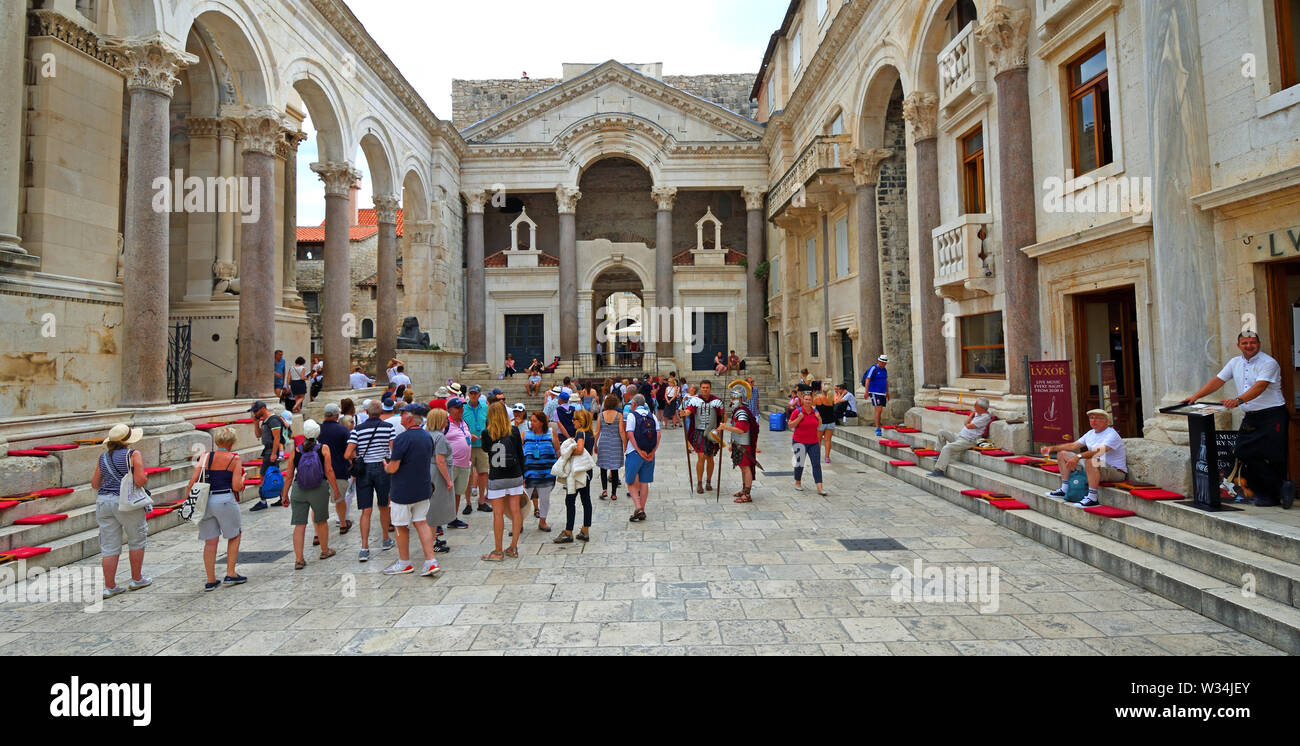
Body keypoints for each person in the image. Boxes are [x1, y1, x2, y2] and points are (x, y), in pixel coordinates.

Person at [1184, 330, 1294, 508]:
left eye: (1253, 343)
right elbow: (1218, 380)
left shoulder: (1269, 362)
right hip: (1251, 417)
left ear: (1258, 344)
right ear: (1238, 345)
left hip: (1272, 415)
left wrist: (1238, 400)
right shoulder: (1235, 362)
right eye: (1245, 343)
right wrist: (1195, 396)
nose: (1249, 346)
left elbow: (1261, 386)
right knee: (1242, 451)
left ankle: (1270, 496)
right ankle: (1281, 486)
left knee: (1273, 456)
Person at [90, 424, 152, 598]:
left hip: (104, 502)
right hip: (126, 502)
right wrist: (142, 476)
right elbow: (140, 481)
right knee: (136, 539)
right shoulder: (133, 454)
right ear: (128, 440)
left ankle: (110, 586)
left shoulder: (102, 457)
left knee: (109, 546)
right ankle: (136, 579)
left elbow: (95, 484)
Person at [381, 404, 440, 576]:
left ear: (409, 417)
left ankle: (404, 562)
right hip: (422, 487)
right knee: (422, 522)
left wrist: (386, 466)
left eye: (402, 415)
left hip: (403, 490)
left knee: (400, 526)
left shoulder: (402, 439)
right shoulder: (427, 437)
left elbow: (394, 467)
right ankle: (430, 560)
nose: (400, 418)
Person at [185, 427, 246, 591]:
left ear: (217, 442)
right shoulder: (234, 459)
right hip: (224, 498)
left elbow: (192, 482)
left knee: (210, 541)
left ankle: (211, 579)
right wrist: (243, 480)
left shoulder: (205, 457)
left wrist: (190, 501)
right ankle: (231, 572)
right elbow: (236, 485)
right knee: (234, 534)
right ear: (232, 443)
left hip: (205, 501)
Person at [1042, 409, 1128, 508]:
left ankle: (1092, 498)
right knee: (1062, 454)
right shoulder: (1091, 433)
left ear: (1107, 421)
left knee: (1091, 460)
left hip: (1115, 471)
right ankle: (1065, 489)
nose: (1093, 421)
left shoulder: (1111, 434)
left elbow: (1099, 451)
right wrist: (1052, 448)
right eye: (1091, 418)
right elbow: (1073, 446)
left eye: (1098, 418)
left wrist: (1078, 456)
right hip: (1096, 466)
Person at [345, 399, 397, 561]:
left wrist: (358, 458)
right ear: (381, 412)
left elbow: (347, 454)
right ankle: (385, 539)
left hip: (364, 470)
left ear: (366, 412)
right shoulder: (388, 428)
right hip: (382, 468)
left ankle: (364, 547)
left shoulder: (357, 430)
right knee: (383, 506)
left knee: (366, 511)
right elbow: (392, 451)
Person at [285, 419, 340, 570]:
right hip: (319, 488)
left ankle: (299, 559)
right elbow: (328, 471)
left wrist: (284, 494)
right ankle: (324, 550)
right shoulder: (323, 448)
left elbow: (289, 474)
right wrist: (335, 489)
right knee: (321, 521)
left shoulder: (296, 450)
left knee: (299, 525)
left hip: (299, 488)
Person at [479, 401, 526, 561]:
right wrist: (523, 476)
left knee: (497, 514)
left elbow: (486, 449)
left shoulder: (487, 433)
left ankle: (498, 551)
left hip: (497, 476)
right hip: (515, 475)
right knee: (515, 511)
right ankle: (513, 547)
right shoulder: (513, 431)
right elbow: (520, 455)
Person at [554, 408, 597, 543]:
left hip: (578, 471)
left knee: (570, 500)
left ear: (581, 421)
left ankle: (568, 531)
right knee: (586, 500)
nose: (572, 421)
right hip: (587, 471)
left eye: (574, 419)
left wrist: (566, 453)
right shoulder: (591, 433)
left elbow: (579, 450)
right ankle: (585, 530)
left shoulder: (580, 433)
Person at [926, 398, 992, 478]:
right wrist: (973, 414)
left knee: (947, 448)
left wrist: (971, 415)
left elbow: (967, 425)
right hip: (959, 436)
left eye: (975, 405)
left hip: (968, 441)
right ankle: (940, 455)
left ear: (981, 408)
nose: (974, 406)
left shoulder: (985, 417)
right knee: (941, 432)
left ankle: (939, 470)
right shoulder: (978, 413)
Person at [716, 379, 759, 503]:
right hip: (738, 444)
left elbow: (741, 430)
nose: (731, 401)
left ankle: (747, 494)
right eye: (731, 398)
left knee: (746, 468)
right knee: (743, 468)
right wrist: (731, 442)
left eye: (734, 399)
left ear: (741, 400)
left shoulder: (742, 412)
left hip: (744, 445)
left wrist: (724, 427)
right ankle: (744, 489)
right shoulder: (737, 412)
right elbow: (736, 428)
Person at [317, 403, 353, 536]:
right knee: (340, 499)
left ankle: (317, 532)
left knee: (318, 503)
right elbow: (349, 452)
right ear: (337, 415)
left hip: (319, 471)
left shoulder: (317, 430)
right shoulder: (343, 430)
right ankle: (343, 524)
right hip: (338, 469)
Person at [425, 408, 457, 553]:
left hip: (427, 472)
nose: (447, 421)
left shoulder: (426, 434)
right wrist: (448, 480)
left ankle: (433, 538)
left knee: (431, 507)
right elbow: (440, 461)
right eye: (445, 419)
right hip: (437, 475)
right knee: (435, 509)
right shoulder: (439, 437)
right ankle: (432, 543)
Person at [624, 394, 660, 521]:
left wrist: (639, 450)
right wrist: (652, 452)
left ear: (634, 404)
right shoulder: (652, 416)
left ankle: (638, 507)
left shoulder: (632, 415)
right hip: (649, 453)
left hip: (634, 452)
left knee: (630, 481)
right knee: (644, 482)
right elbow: (658, 434)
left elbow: (629, 434)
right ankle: (642, 509)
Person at [522, 412, 560, 532]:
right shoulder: (525, 434)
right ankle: (519, 523)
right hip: (529, 473)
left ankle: (542, 522)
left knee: (544, 498)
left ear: (542, 422)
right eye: (531, 420)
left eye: (534, 421)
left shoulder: (551, 433)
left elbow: (557, 450)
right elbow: (518, 452)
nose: (531, 423)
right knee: (523, 499)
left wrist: (560, 466)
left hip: (546, 473)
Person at [685, 380, 724, 494]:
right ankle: (699, 483)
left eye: (707, 387)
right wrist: (684, 413)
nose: (705, 389)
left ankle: (708, 481)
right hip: (699, 432)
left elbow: (723, 415)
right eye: (703, 387)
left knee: (710, 457)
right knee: (701, 457)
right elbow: (689, 411)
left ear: (710, 388)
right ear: (700, 388)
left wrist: (722, 424)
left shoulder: (716, 401)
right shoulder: (695, 400)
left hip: (712, 433)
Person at [248, 400, 284, 511]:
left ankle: (263, 501)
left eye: (256, 411)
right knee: (275, 474)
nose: (254, 413)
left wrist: (274, 453)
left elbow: (277, 438)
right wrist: (255, 423)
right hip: (268, 450)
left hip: (271, 451)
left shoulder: (273, 420)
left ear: (263, 408)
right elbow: (258, 435)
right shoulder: (265, 421)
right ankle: (282, 497)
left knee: (264, 475)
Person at [789, 391, 826, 495]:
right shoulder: (797, 411)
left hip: (813, 442)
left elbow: (819, 426)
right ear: (802, 400)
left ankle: (819, 487)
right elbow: (790, 425)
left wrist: (819, 418)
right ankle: (798, 482)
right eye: (806, 399)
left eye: (809, 399)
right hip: (799, 441)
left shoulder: (815, 412)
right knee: (800, 463)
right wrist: (799, 418)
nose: (808, 401)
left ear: (812, 400)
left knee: (816, 464)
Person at [445, 398, 474, 527]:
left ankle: (453, 518)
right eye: (458, 408)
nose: (461, 410)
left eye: (462, 407)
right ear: (450, 410)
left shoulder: (464, 422)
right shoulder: (445, 423)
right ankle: (439, 521)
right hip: (451, 464)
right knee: (445, 494)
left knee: (458, 493)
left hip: (464, 464)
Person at [464, 385, 492, 513]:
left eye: (475, 393)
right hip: (468, 445)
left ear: (479, 395)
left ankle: (481, 501)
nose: (473, 395)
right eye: (471, 393)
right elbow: (460, 425)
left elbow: (490, 423)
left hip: (482, 445)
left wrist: (486, 434)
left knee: (483, 473)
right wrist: (469, 435)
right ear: (469, 395)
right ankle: (468, 503)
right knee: (468, 475)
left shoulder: (485, 408)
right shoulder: (463, 408)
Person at [595, 394, 625, 501]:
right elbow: (621, 431)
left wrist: (595, 444)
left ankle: (604, 490)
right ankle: (614, 493)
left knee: (603, 467)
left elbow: (597, 431)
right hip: (616, 442)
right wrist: (625, 444)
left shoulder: (601, 415)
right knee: (614, 468)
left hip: (604, 442)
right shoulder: (619, 415)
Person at [862, 355, 889, 436]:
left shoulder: (884, 370)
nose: (884, 364)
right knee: (878, 409)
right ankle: (877, 427)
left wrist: (887, 392)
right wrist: (866, 392)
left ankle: (878, 425)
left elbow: (886, 381)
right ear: (880, 361)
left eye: (885, 363)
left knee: (880, 410)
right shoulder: (874, 368)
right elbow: (867, 379)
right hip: (874, 392)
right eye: (884, 362)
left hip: (882, 392)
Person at [815, 392, 837, 464]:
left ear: (822, 390)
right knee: (828, 440)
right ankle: (827, 457)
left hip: (821, 422)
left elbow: (810, 403)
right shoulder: (832, 399)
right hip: (831, 422)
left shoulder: (818, 399)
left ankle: (817, 457)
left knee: (818, 440)